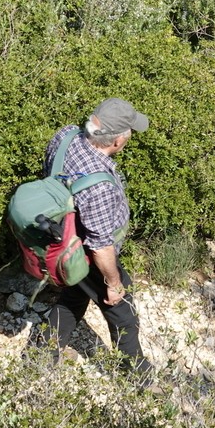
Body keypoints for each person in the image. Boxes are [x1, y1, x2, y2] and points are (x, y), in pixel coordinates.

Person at [38, 97, 153, 377]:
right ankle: (138, 377)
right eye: (129, 134)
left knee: (74, 297)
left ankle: (41, 358)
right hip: (86, 252)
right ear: (117, 142)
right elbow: (100, 246)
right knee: (122, 312)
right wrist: (113, 283)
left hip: (61, 238)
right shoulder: (99, 185)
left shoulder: (65, 135)